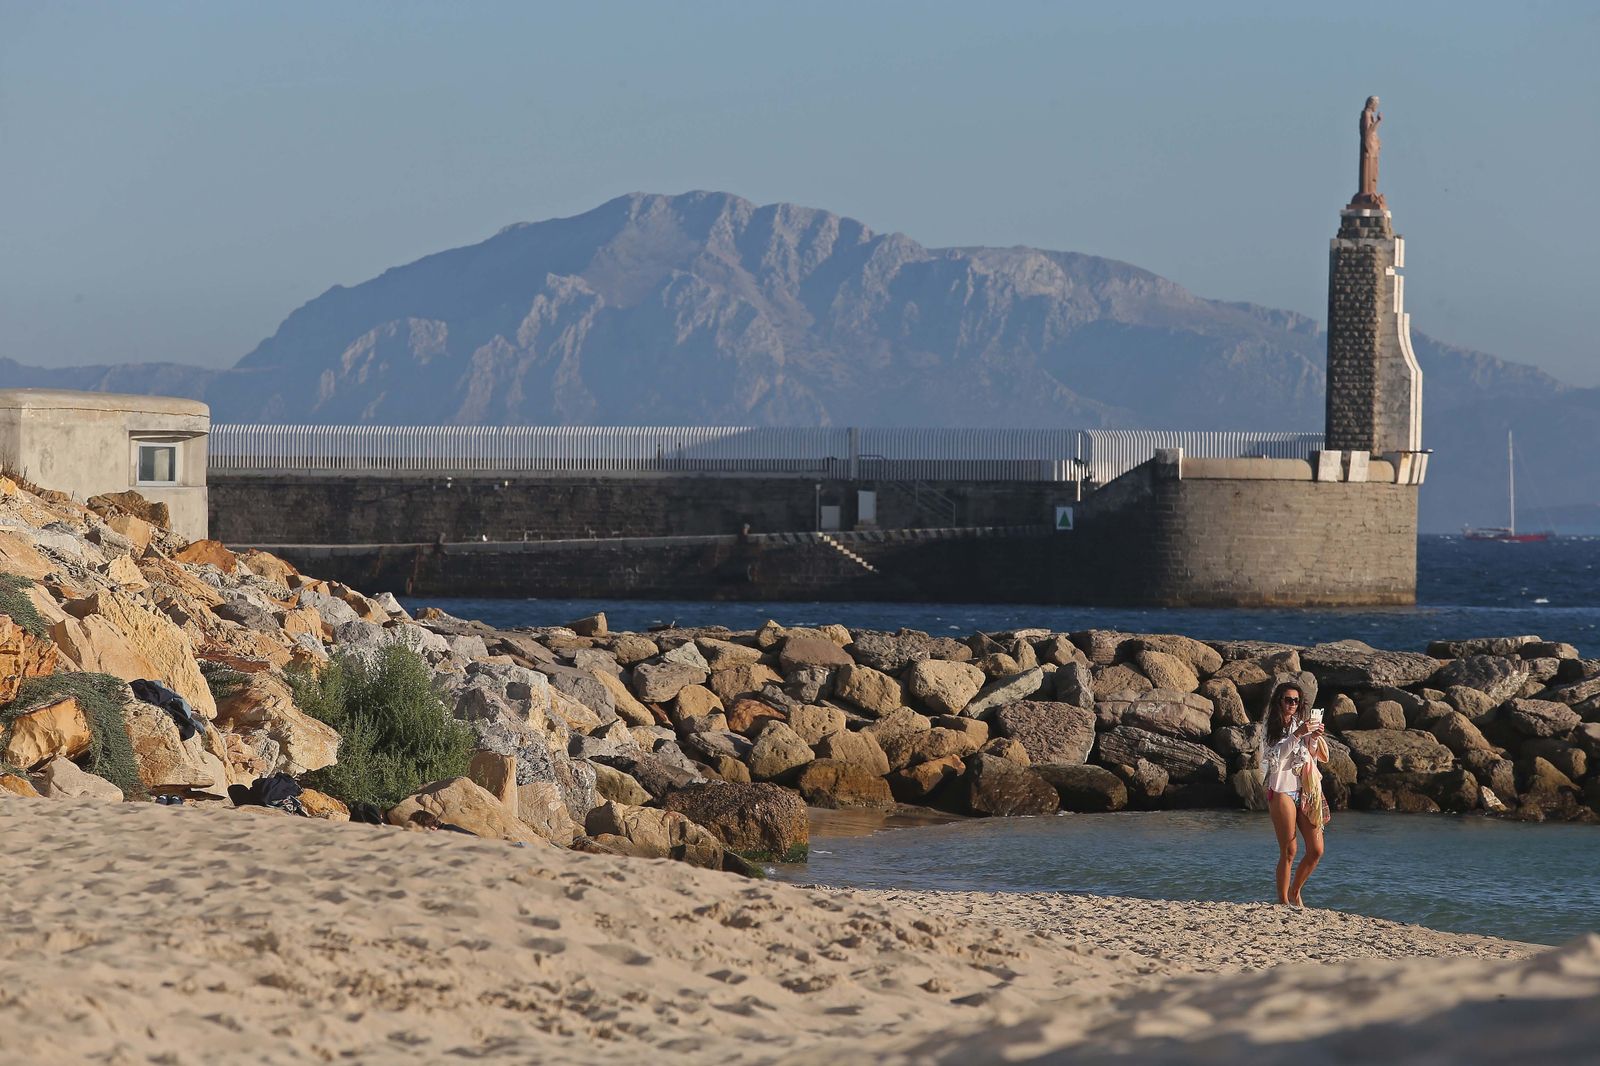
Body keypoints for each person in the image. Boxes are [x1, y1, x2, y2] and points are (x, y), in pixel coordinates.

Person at [1259, 681, 1329, 907]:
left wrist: (1315, 736)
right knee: (1289, 849)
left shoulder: (1301, 725)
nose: (1292, 704)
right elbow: (1274, 758)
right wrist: (1297, 735)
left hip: (1305, 791)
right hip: (1281, 790)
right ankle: (1283, 902)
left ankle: (1294, 891)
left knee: (1316, 850)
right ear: (1279, 701)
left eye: (1296, 701)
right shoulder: (1268, 727)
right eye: (1288, 700)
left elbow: (1312, 758)